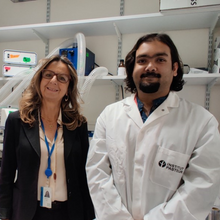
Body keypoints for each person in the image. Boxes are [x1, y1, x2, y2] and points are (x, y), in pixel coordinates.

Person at [86, 33, 220, 220]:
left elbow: (202, 187)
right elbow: (97, 174)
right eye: (142, 60)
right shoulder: (109, 116)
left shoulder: (202, 122)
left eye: (160, 59)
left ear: (174, 68)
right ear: (132, 69)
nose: (150, 67)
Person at [0, 55, 95, 220]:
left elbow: (84, 175)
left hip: (69, 212)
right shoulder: (17, 121)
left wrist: (89, 214)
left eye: (62, 78)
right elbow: (6, 173)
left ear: (69, 87)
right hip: (28, 212)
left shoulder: (77, 124)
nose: (54, 80)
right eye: (48, 74)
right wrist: (4, 214)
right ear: (39, 80)